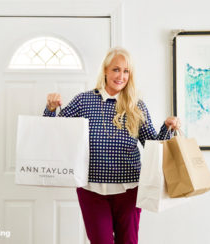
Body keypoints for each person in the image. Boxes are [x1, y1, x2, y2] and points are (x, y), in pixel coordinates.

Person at [44, 47, 180, 244]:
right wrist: (50, 109)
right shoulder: (84, 100)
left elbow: (151, 144)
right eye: (116, 69)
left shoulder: (136, 105)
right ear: (106, 70)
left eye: (126, 71)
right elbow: (55, 131)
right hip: (91, 190)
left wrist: (167, 127)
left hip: (130, 190)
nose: (121, 76)